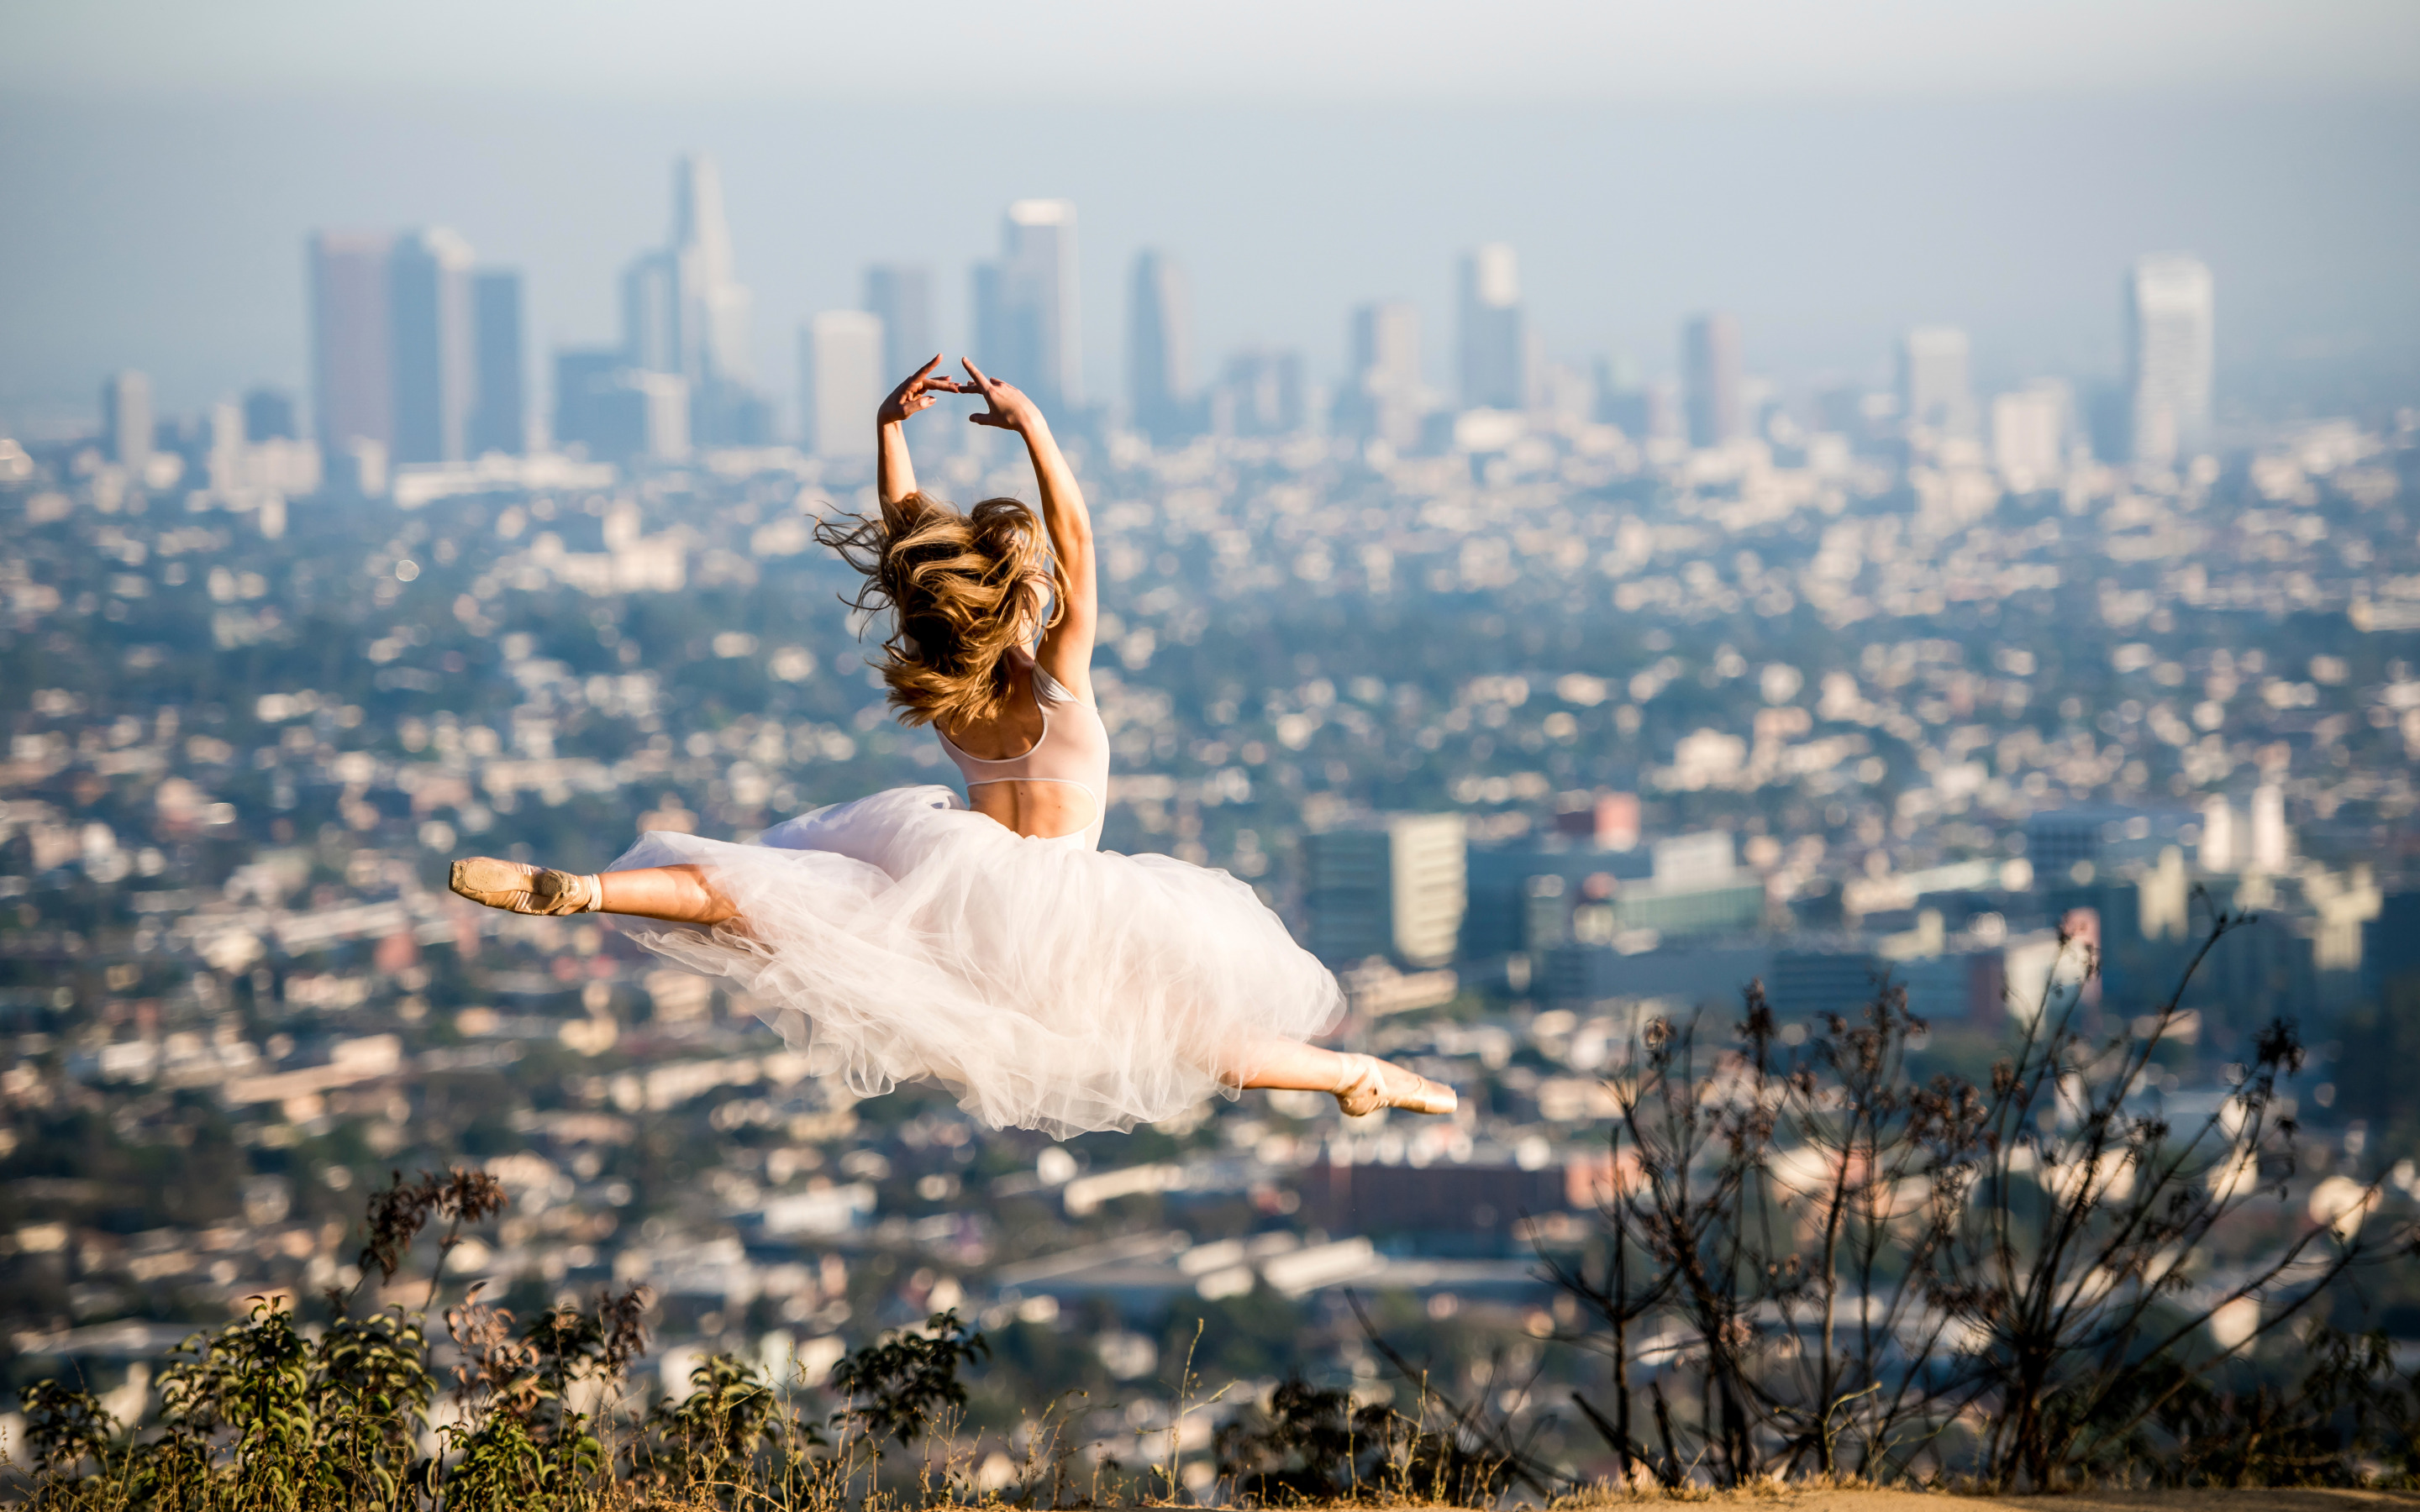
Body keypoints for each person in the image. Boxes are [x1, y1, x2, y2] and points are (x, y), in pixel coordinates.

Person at [450, 357, 1455, 1136]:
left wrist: (888, 432)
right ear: (1014, 604)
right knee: (1192, 1041)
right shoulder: (1054, 686)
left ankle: (584, 888)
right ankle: (1357, 1076)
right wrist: (1036, 429)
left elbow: (906, 555)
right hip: (1064, 907)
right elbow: (1081, 540)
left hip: (955, 886)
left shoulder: (950, 696)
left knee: (751, 895)